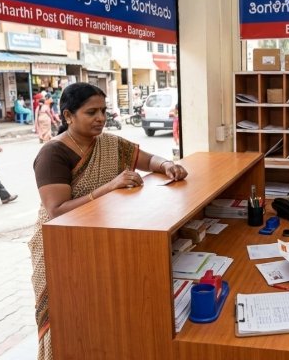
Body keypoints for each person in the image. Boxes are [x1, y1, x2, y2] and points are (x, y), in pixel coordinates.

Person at [29, 82, 189, 360]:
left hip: (101, 241)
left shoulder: (109, 143)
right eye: (91, 112)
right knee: (68, 317)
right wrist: (110, 186)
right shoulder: (53, 153)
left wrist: (167, 165)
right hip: (61, 248)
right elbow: (58, 211)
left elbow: (148, 160)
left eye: (103, 111)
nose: (101, 118)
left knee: (102, 314)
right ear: (68, 116)